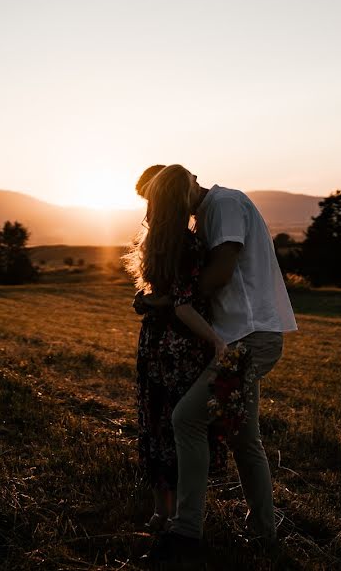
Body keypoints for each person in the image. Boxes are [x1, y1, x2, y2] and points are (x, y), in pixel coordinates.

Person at [142, 164, 298, 564]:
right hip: (237, 341)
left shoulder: (225, 203)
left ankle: (186, 532)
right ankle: (265, 535)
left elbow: (222, 270)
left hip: (250, 338)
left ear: (191, 183)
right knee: (246, 440)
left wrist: (169, 299)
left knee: (186, 420)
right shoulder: (210, 210)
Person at [124, 165, 232, 533]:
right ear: (182, 198)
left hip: (152, 343)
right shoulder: (190, 244)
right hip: (182, 347)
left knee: (155, 424)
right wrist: (217, 339)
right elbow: (185, 304)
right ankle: (187, 517)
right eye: (193, 184)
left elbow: (155, 296)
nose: (199, 188)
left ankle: (161, 513)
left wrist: (152, 303)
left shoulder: (152, 239)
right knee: (183, 430)